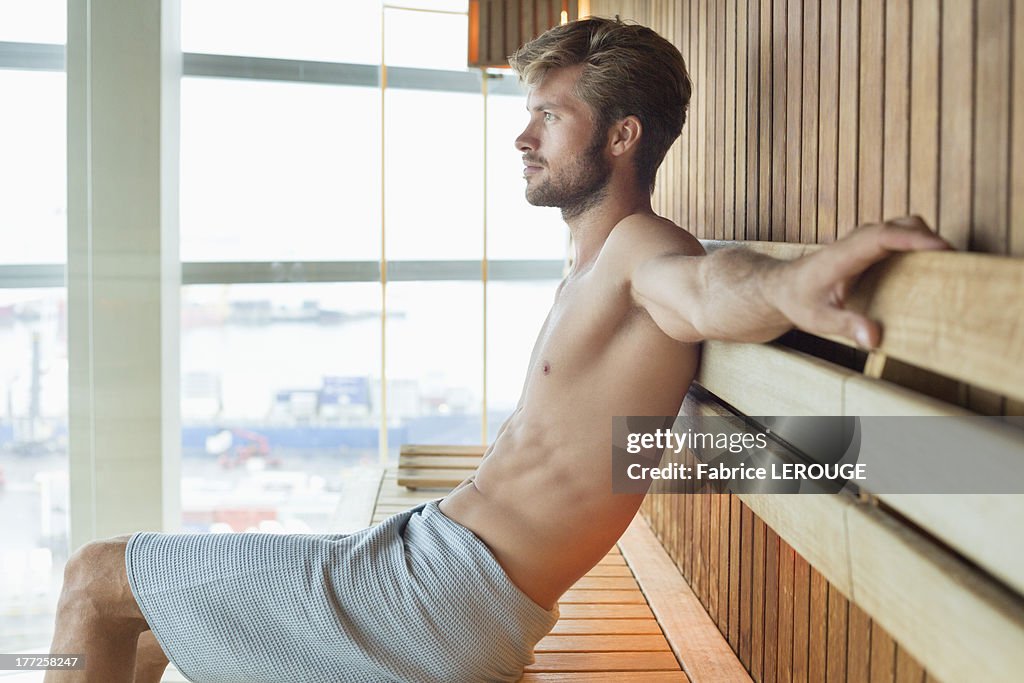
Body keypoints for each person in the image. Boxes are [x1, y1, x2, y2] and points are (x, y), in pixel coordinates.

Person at [46, 16, 951, 683]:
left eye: (549, 117)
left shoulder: (642, 252)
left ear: (620, 134)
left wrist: (799, 284)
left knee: (96, 578)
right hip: (437, 579)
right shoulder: (598, 265)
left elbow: (714, 287)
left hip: (435, 603)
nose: (523, 136)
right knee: (158, 624)